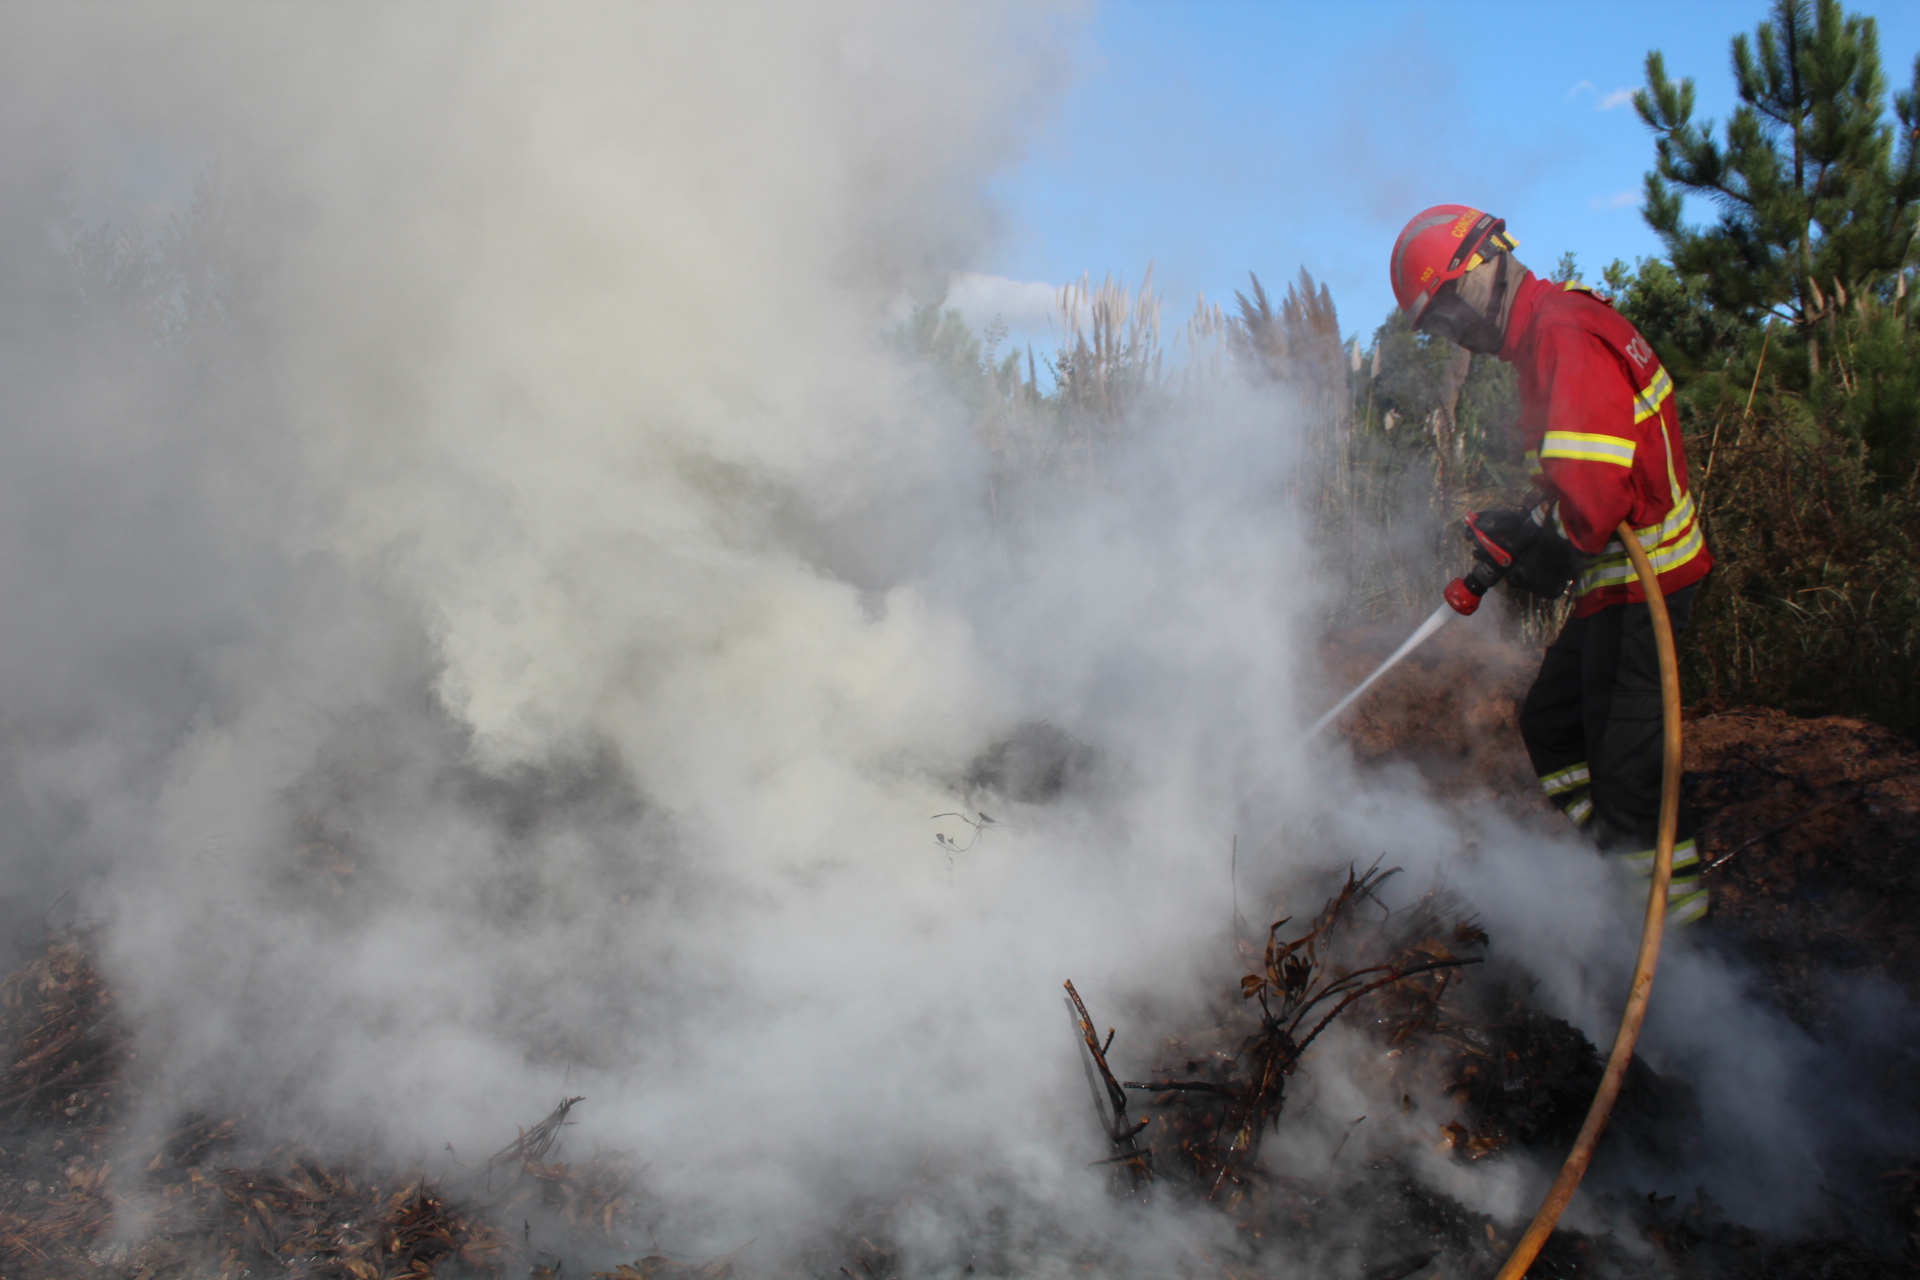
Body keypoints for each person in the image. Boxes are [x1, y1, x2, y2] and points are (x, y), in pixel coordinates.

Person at [1389, 204, 1714, 924]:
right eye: (1436, 324)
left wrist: (1547, 549)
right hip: (1619, 582)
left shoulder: (1561, 334)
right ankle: (1616, 869)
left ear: (1486, 266)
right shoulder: (1547, 333)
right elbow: (1578, 474)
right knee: (1552, 723)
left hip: (1646, 584)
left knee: (1629, 776)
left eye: (1447, 307)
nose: (1453, 331)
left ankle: (1678, 942)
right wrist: (1527, 524)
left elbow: (1595, 504)